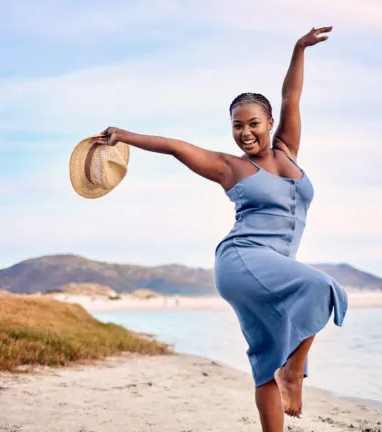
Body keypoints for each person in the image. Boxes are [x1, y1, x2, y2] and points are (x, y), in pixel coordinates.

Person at [92, 26, 348, 432]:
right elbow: (177, 146)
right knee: (323, 287)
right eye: (236, 126)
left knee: (266, 355)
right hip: (242, 261)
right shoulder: (230, 168)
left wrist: (299, 49)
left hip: (274, 267)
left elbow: (291, 97)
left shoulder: (287, 150)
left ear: (269, 123)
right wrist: (124, 135)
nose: (245, 133)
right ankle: (294, 375)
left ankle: (279, 390)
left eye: (253, 124)